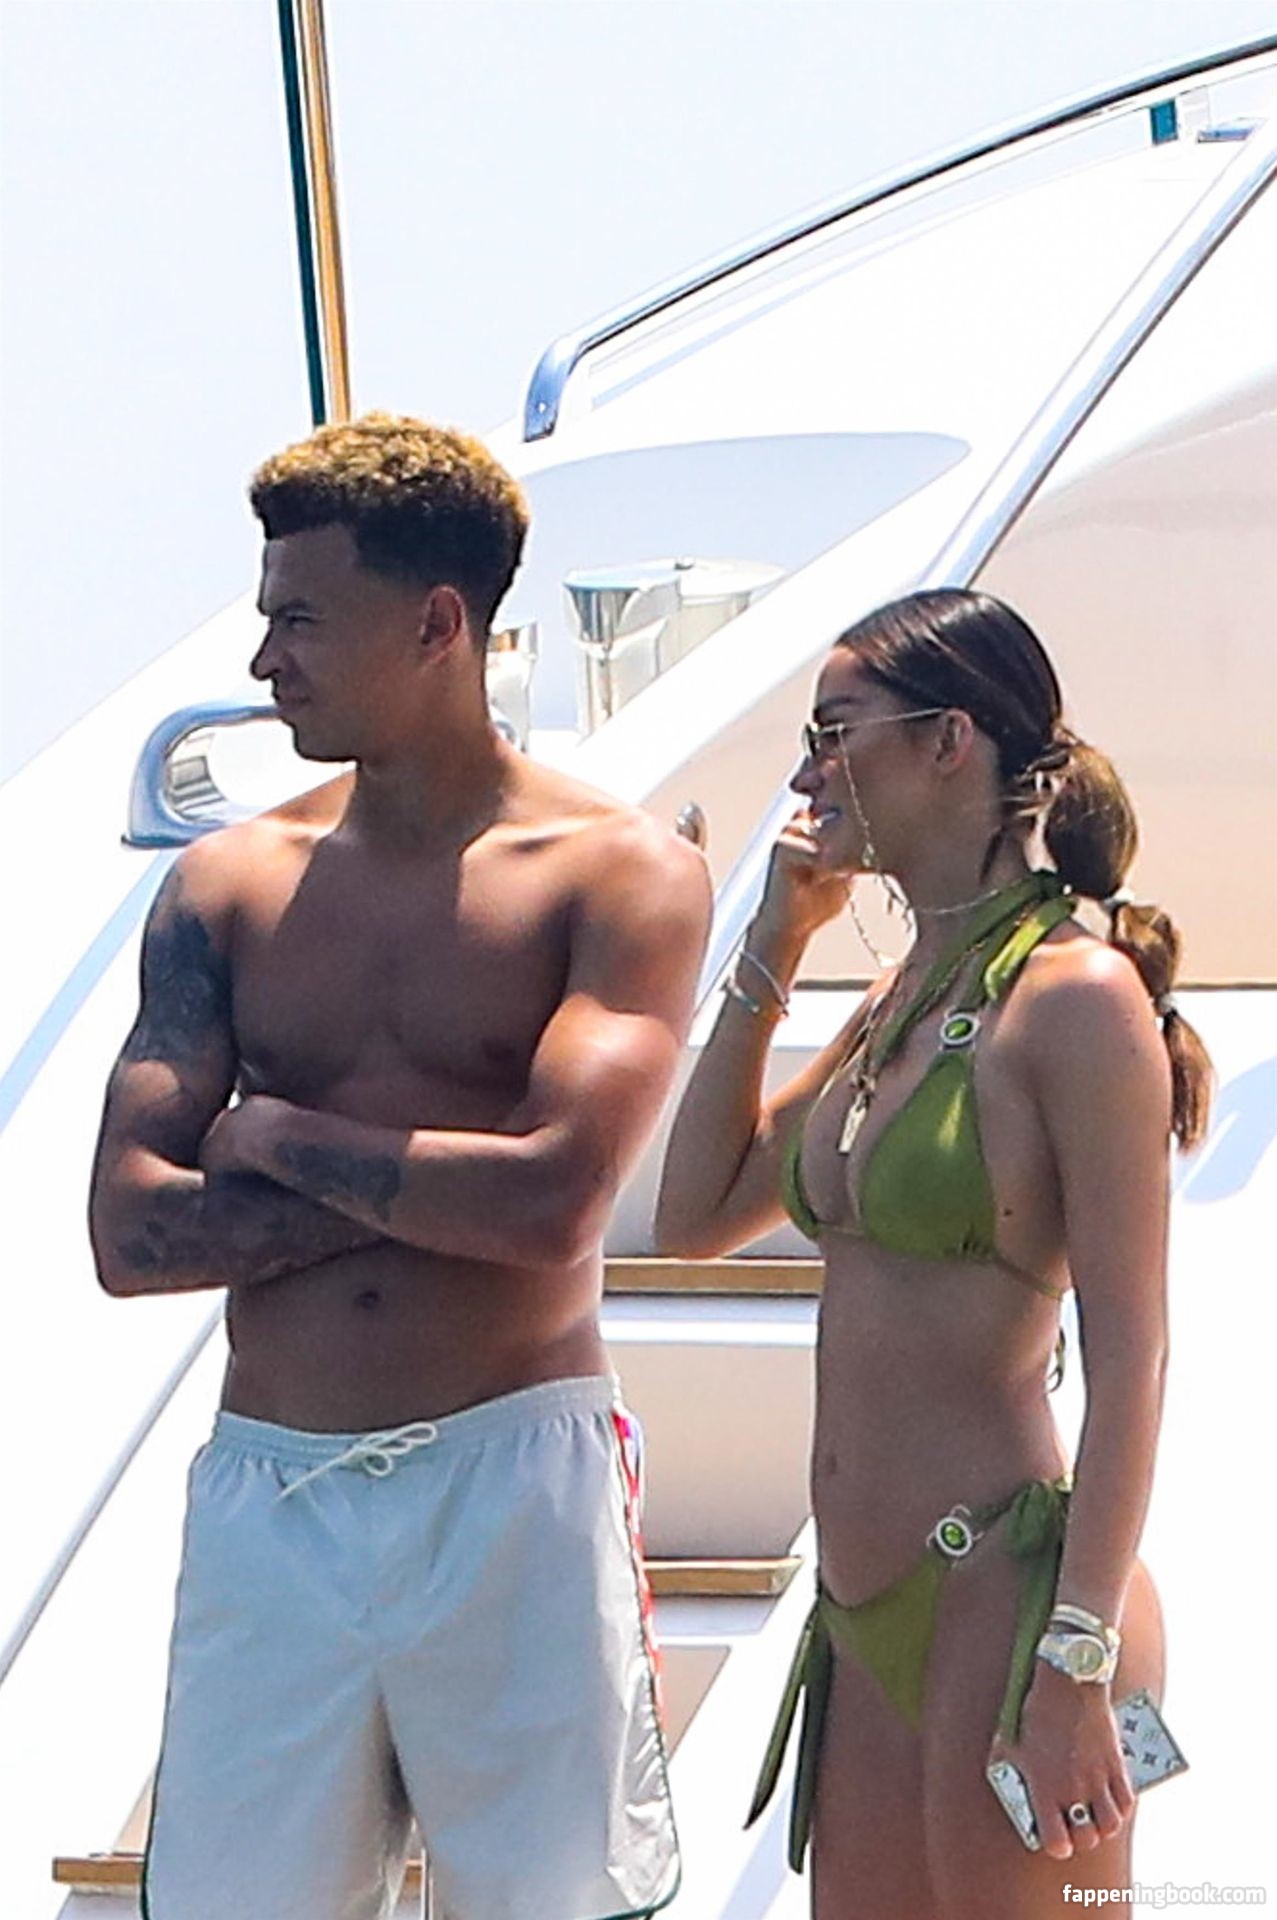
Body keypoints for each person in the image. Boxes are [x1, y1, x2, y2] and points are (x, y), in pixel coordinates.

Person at [88, 412, 711, 1920]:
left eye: (300, 620)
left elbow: (553, 1203)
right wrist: (435, 1192)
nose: (265, 663)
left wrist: (281, 1137)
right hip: (275, 1489)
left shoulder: (617, 874)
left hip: (514, 1484)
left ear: (439, 624)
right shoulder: (225, 884)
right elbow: (129, 1232)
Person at [655, 588, 1211, 1919]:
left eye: (833, 732)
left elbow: (1134, 1356)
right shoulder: (903, 996)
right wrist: (772, 945)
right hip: (864, 1609)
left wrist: (1076, 1656)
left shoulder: (1075, 998)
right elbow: (694, 1213)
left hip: (1015, 1604)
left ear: (948, 739)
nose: (805, 775)